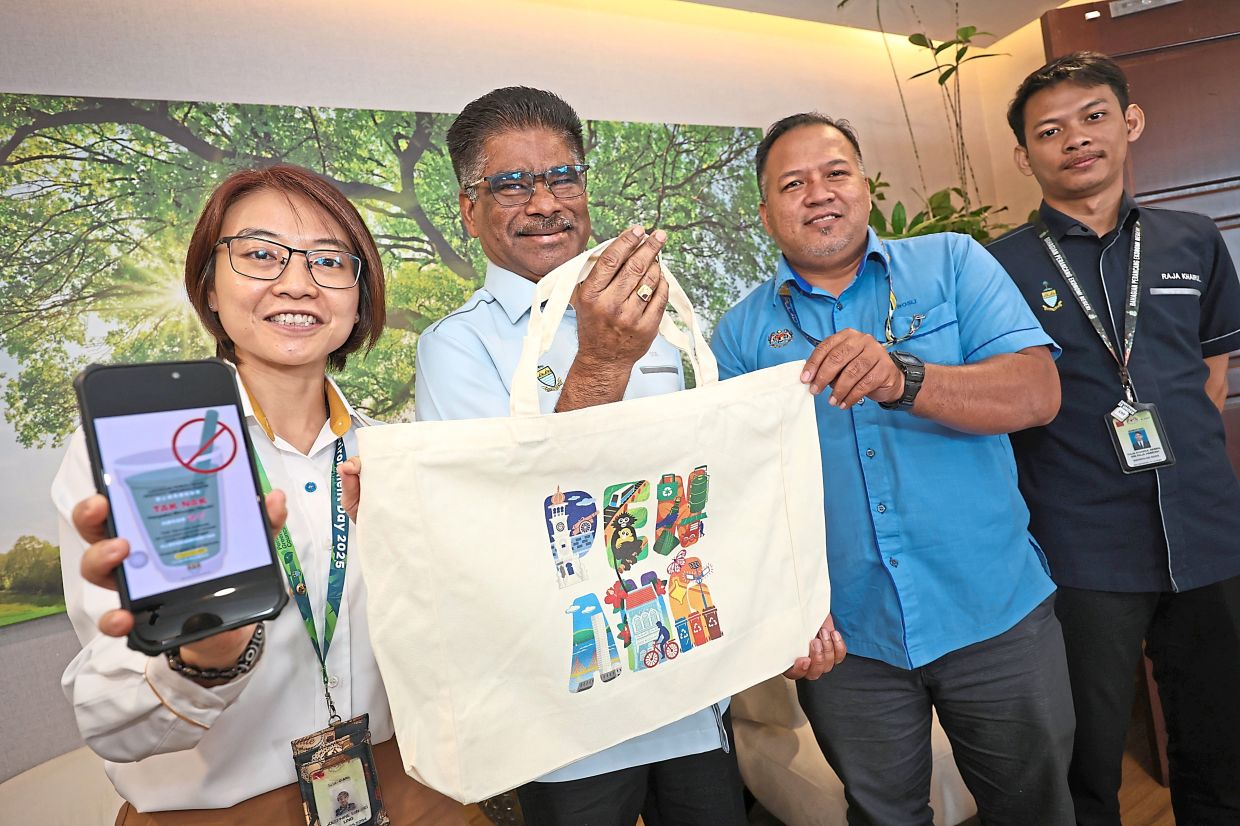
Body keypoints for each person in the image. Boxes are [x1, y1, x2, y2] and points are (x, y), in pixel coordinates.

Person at [52, 165, 469, 824]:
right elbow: (113, 728)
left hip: (403, 793)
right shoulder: (149, 453)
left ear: (359, 297)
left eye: (330, 260)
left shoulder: (392, 455)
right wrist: (205, 659)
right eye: (260, 254)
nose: (297, 282)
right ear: (209, 287)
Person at [711, 113, 1076, 825]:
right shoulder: (740, 334)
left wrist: (907, 378)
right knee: (882, 816)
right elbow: (741, 493)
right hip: (850, 642)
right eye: (793, 183)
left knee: (1035, 808)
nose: (818, 193)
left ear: (865, 187)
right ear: (765, 214)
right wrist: (788, 610)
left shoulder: (953, 263)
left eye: (835, 173)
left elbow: (1038, 394)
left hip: (993, 614)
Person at [412, 86, 747, 826]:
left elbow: (700, 481)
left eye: (563, 176)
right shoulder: (455, 347)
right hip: (569, 712)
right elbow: (506, 516)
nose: (545, 203)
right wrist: (601, 363)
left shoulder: (655, 313)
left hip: (688, 676)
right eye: (511, 183)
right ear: (470, 210)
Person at [987, 52, 1240, 825]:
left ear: (1129, 123)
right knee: (1087, 757)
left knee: (1221, 742)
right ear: (1025, 153)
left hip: (1207, 535)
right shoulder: (997, 268)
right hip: (1081, 548)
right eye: (1050, 130)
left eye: (1094, 117)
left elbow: (1212, 374)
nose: (1077, 140)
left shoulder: (1192, 241)